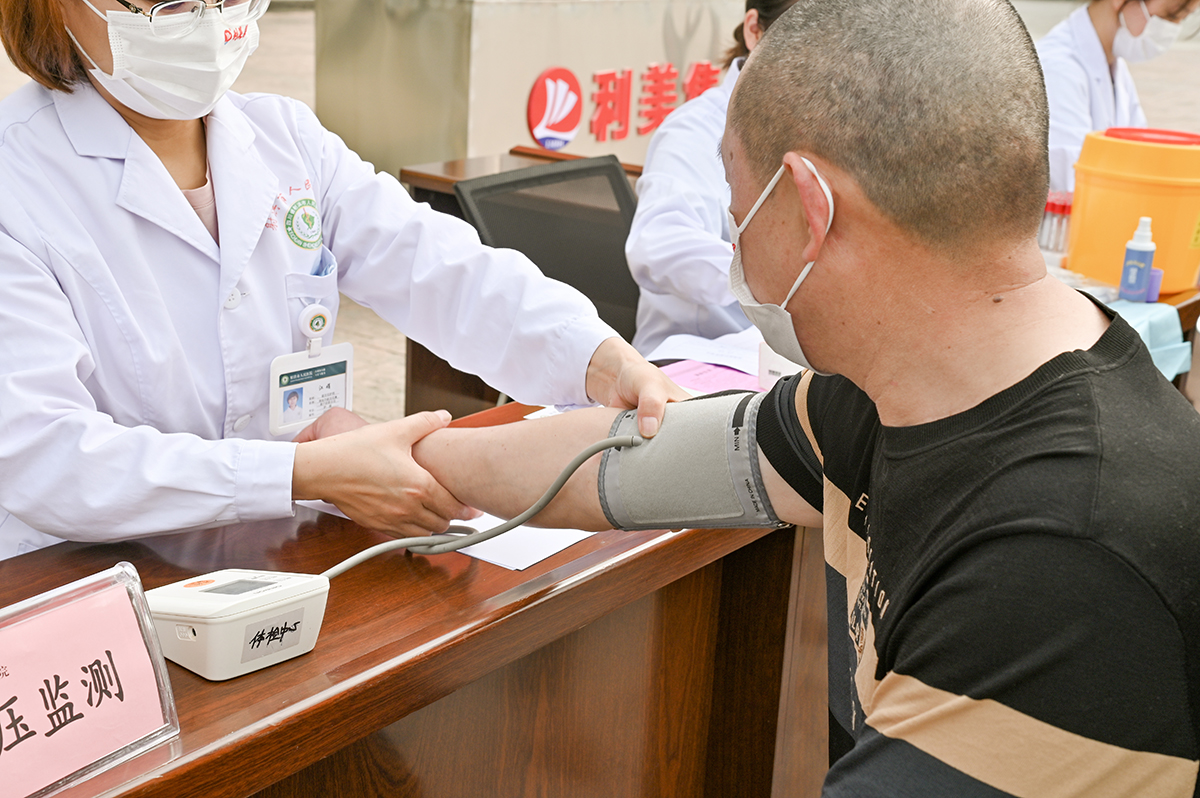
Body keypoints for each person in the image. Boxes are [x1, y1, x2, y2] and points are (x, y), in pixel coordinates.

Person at [396, 0, 1200, 792]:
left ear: (811, 210)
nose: (736, 247)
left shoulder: (1066, 560)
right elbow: (631, 461)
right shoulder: (891, 394)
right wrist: (401, 457)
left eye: (737, 211)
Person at [0, 0, 685, 560]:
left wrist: (599, 359)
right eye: (166, 1)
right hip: (89, 582)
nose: (205, 19)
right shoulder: (18, 181)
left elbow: (438, 266)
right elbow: (44, 456)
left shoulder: (283, 138)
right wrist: (304, 473)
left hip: (287, 555)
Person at [624, 0, 796, 355]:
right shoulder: (694, 131)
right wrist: (771, 275)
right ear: (754, 30)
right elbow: (657, 244)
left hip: (789, 360)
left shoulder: (822, 125)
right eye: (805, 41)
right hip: (700, 358)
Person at [1037, 0, 1200, 192]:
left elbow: (1139, 155)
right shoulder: (1056, 70)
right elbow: (1069, 185)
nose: (1171, 29)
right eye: (1170, 16)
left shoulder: (1114, 66)